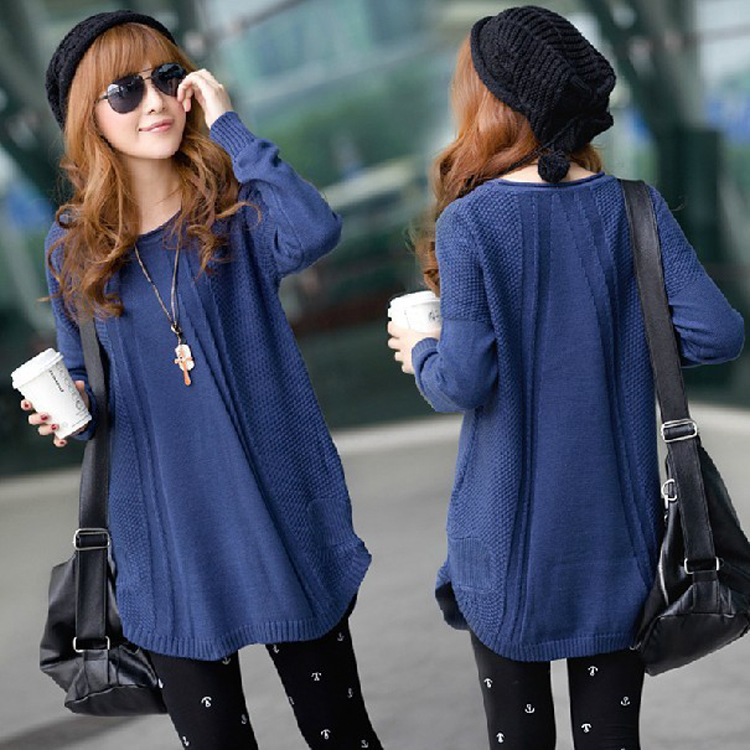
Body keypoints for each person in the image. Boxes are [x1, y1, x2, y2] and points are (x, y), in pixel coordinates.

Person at [387, 6, 745, 750]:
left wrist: (421, 347)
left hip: (507, 544)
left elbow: (461, 382)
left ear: (493, 101)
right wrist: (616, 342)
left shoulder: (471, 222)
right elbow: (718, 333)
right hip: (619, 540)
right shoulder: (635, 206)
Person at [23, 10, 382, 750]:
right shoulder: (73, 245)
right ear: (88, 117)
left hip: (275, 512)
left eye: (166, 78)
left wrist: (229, 125)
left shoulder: (234, 206)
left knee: (342, 735)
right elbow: (82, 380)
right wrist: (67, 411)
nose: (154, 102)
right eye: (124, 91)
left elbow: (314, 231)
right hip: (167, 543)